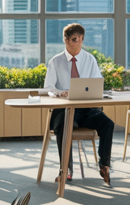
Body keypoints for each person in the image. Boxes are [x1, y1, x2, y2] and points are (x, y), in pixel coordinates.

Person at [43, 23, 115, 185]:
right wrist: (60, 93)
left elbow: (97, 83)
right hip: (64, 109)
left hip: (86, 109)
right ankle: (65, 169)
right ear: (66, 40)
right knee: (64, 126)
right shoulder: (56, 61)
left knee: (108, 124)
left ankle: (104, 165)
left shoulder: (90, 59)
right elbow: (48, 88)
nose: (79, 43)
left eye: (81, 39)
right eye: (75, 39)